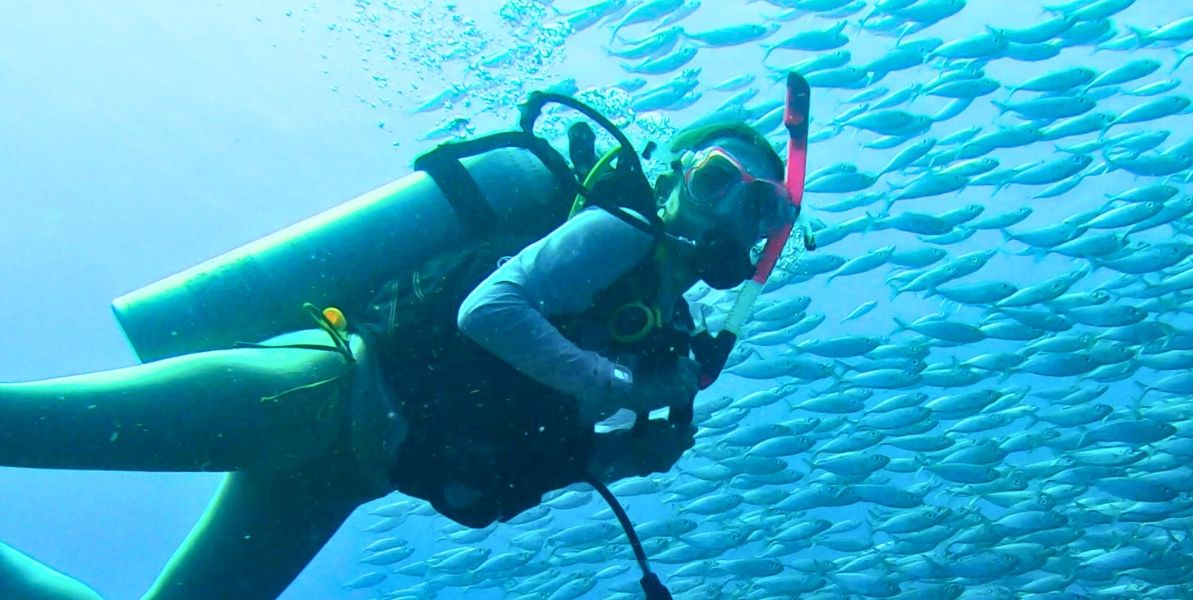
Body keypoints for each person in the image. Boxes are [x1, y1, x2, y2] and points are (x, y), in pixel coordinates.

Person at [0, 108, 797, 598]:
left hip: (352, 470)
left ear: (766, 235)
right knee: (26, 428)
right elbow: (492, 311)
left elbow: (537, 437)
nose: (730, 208)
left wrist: (631, 453)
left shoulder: (661, 323)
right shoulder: (620, 232)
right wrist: (622, 388)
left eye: (757, 202)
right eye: (716, 178)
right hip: (316, 391)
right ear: (674, 176)